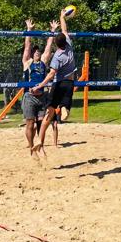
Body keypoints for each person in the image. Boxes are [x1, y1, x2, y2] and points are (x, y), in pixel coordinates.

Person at [31, 9, 76, 157]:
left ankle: (39, 140)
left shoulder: (56, 56)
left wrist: (40, 85)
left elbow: (51, 74)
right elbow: (64, 29)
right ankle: (64, 109)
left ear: (56, 45)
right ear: (65, 40)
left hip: (57, 85)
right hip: (69, 83)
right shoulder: (69, 45)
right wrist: (62, 17)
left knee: (47, 116)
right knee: (65, 111)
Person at [21, 19, 54, 155]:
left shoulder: (43, 62)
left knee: (41, 125)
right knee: (30, 124)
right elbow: (27, 46)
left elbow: (48, 47)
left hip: (42, 97)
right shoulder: (27, 63)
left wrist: (52, 31)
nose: (36, 52)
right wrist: (29, 30)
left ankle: (40, 146)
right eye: (34, 52)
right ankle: (31, 148)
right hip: (29, 97)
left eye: (37, 52)